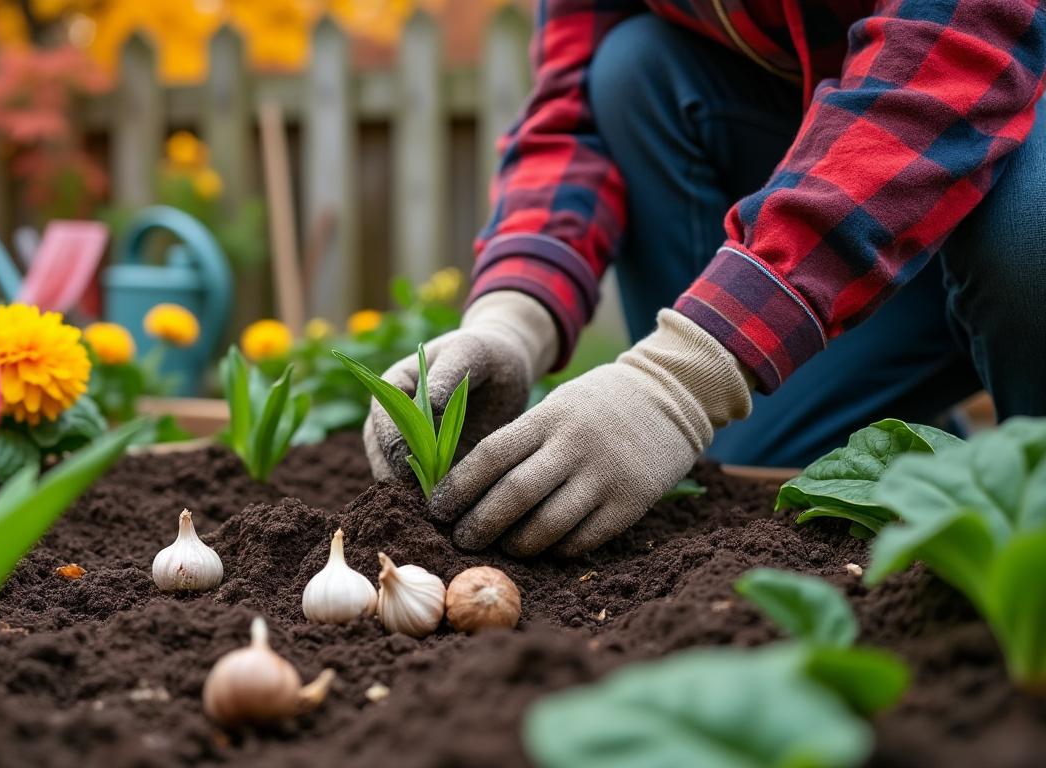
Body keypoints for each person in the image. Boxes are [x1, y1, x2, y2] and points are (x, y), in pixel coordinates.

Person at [364, 0, 1046, 557]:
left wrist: (682, 377)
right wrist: (512, 318)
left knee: (1030, 228)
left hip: (1002, 115)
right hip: (848, 199)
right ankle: (919, 433)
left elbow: (941, 71)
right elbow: (573, 112)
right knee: (631, 68)